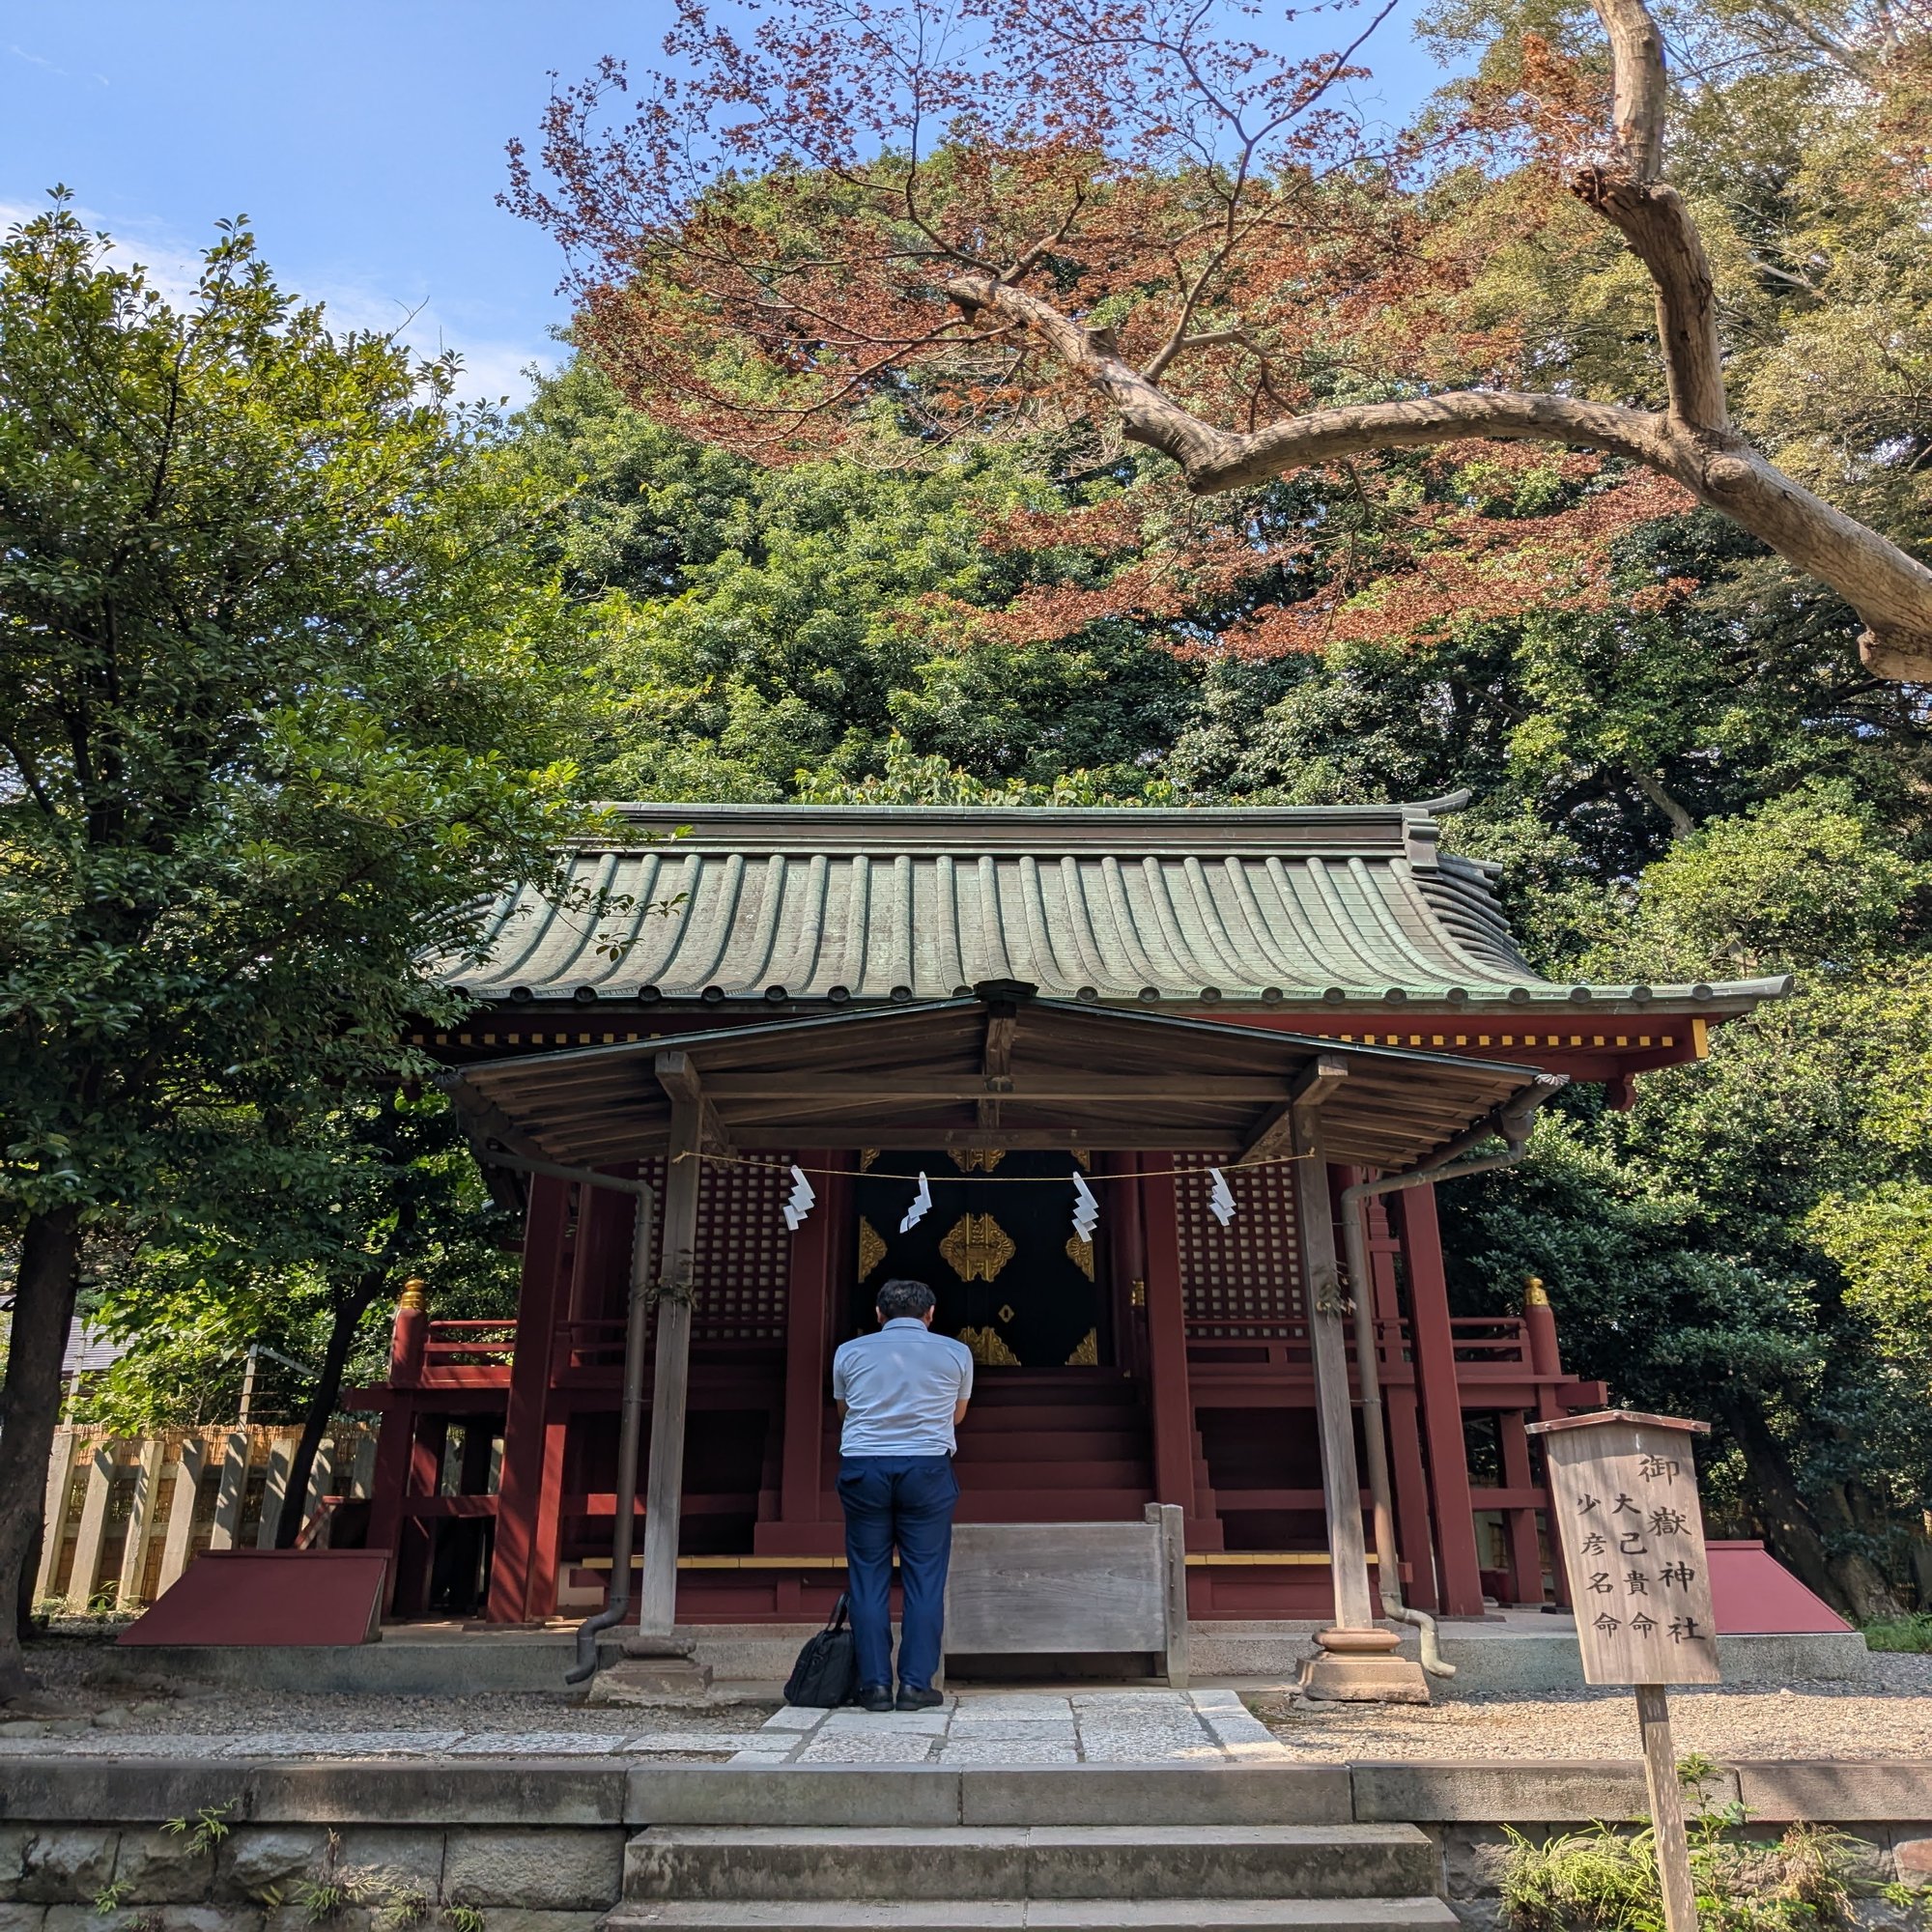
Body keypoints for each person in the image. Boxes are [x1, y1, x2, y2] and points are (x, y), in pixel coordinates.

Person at [832, 1277, 974, 1712]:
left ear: (879, 1314)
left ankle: (874, 1686)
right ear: (930, 1315)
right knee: (925, 1578)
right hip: (926, 1468)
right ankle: (915, 1684)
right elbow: (957, 1415)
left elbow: (845, 1411)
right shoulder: (956, 1352)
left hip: (865, 1466)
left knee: (868, 1577)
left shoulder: (849, 1353)